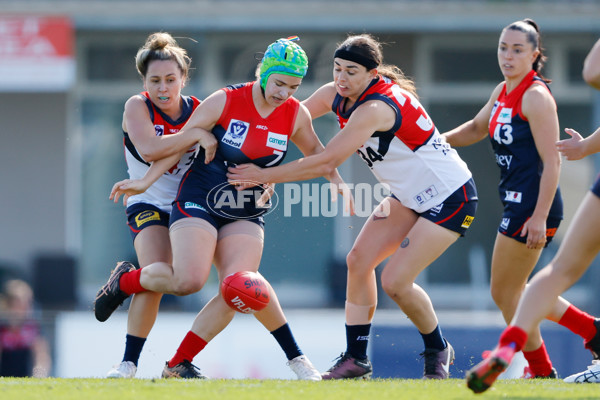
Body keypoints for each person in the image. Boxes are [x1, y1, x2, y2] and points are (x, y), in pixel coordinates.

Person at [228, 33, 479, 380]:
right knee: (358, 262)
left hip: (451, 196)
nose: (341, 79)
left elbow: (325, 160)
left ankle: (437, 347)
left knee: (395, 281)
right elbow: (286, 118)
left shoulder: (376, 108)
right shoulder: (335, 94)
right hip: (408, 196)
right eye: (337, 69)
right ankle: (356, 358)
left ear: (372, 75)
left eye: (351, 72)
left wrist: (263, 173)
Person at [96, 36, 347, 380]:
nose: (284, 93)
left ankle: (288, 361)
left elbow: (319, 158)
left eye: (294, 86)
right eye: (279, 83)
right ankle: (127, 325)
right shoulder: (219, 100)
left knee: (240, 286)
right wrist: (145, 180)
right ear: (263, 74)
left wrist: (329, 184)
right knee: (182, 281)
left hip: (243, 208)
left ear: (184, 79)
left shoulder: (293, 114)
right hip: (184, 197)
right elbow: (166, 147)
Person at [443, 19, 599, 381]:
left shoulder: (535, 96)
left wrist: (539, 217)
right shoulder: (503, 90)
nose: (508, 56)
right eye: (503, 47)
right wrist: (432, 141)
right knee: (516, 291)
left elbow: (552, 161)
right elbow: (476, 129)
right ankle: (592, 332)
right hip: (516, 203)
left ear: (534, 54)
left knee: (505, 292)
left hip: (533, 206)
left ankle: (541, 370)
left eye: (517, 50)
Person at [95, 32, 217, 378]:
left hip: (186, 206)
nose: (163, 88)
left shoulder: (198, 109)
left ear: (183, 79)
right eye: (154, 81)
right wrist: (194, 134)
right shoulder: (137, 106)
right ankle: (128, 364)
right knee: (157, 273)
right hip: (146, 201)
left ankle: (125, 281)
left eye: (170, 80)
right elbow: (149, 151)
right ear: (144, 81)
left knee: (179, 279)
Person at [0, 279, 51, 377]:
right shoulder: (2, 328)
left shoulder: (33, 328)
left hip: (26, 377)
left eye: (28, 303)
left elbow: (41, 356)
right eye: (19, 304)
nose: (25, 308)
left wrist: (39, 376)